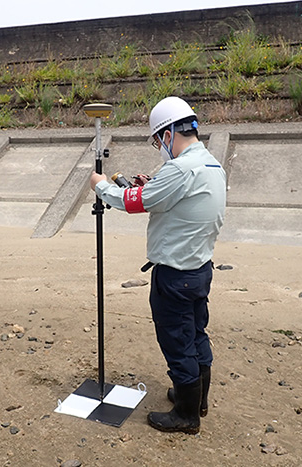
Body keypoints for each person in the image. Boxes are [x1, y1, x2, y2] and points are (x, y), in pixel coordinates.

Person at [89, 96, 227, 434]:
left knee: (177, 342)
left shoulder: (180, 168)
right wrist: (151, 187)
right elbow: (175, 201)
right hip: (199, 270)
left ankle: (186, 416)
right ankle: (197, 400)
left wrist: (101, 186)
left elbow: (133, 203)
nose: (159, 148)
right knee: (196, 336)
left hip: (175, 276)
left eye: (157, 140)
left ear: (167, 134)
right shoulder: (211, 164)